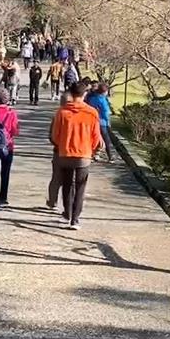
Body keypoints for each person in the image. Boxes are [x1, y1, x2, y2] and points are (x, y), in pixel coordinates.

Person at [50, 82, 103, 230]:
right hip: (83, 155)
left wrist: (63, 144)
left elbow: (55, 135)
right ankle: (75, 219)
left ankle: (67, 212)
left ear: (71, 94)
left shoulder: (61, 112)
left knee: (67, 184)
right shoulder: (92, 113)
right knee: (80, 186)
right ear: (84, 94)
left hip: (65, 153)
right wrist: (90, 150)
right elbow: (96, 137)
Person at [46, 91, 72, 211]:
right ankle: (62, 203)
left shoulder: (57, 115)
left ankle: (53, 201)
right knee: (66, 179)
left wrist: (57, 144)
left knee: (56, 178)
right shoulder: (68, 115)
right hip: (70, 152)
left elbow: (51, 135)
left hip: (59, 151)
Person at [86, 82, 114, 162]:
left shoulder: (92, 98)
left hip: (92, 121)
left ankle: (91, 154)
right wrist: (108, 121)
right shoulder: (103, 100)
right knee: (106, 139)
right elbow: (105, 112)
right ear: (104, 92)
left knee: (92, 138)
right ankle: (110, 157)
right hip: (102, 122)